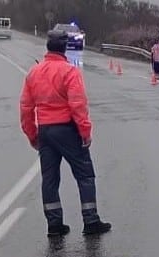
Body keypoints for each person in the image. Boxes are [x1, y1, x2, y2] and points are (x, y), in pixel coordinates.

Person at [19, 29, 111, 237]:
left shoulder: (34, 73)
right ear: (64, 48)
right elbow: (78, 105)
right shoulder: (69, 72)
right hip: (67, 129)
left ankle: (54, 225)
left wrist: (33, 134)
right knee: (84, 174)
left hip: (45, 131)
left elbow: (25, 108)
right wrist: (85, 132)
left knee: (49, 179)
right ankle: (91, 220)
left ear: (47, 47)